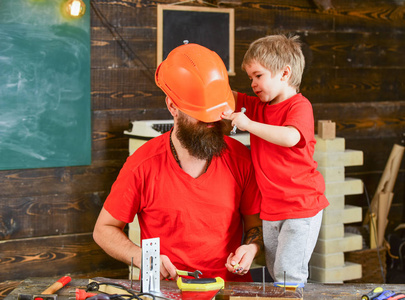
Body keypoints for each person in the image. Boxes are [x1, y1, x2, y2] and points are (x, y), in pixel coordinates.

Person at [93, 43, 263, 282]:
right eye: (201, 117)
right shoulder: (142, 164)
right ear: (172, 107)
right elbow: (104, 229)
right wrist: (141, 257)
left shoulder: (240, 159)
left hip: (229, 292)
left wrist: (251, 248)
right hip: (165, 293)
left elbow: (257, 228)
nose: (212, 124)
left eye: (216, 117)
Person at [222, 34, 329, 283]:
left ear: (284, 73)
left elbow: (290, 137)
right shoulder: (259, 105)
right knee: (274, 272)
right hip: (271, 209)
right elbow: (226, 95)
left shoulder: (299, 107)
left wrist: (249, 124)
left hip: (300, 207)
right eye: (250, 78)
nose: (253, 84)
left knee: (287, 277)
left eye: (258, 76)